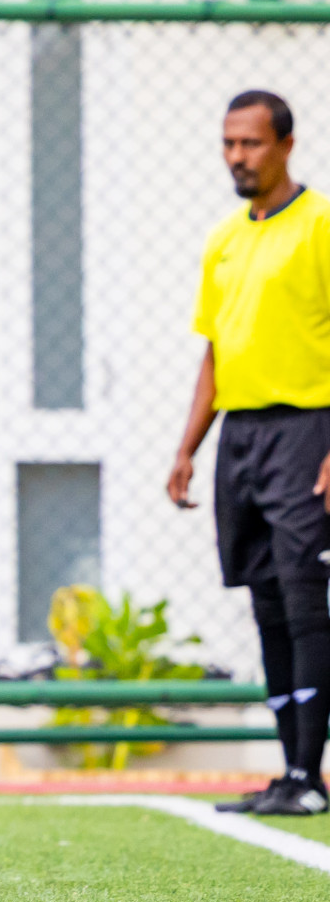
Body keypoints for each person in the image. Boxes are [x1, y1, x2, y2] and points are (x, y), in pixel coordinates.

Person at [169, 90, 330, 817]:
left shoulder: (321, 226)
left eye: (252, 144)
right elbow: (215, 350)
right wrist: (187, 451)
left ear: (286, 145)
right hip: (241, 438)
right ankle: (289, 774)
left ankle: (307, 774)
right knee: (265, 604)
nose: (238, 156)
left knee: (304, 601)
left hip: (307, 428)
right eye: (229, 143)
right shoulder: (225, 238)